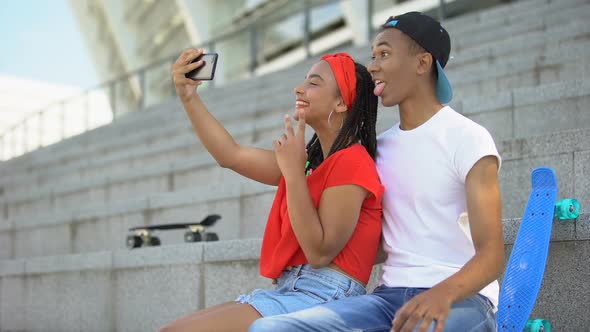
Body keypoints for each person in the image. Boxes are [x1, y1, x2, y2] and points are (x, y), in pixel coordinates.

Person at [248, 11, 504, 332]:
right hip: (385, 300)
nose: (372, 66)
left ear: (422, 63)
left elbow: (492, 255)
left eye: (384, 54)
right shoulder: (378, 151)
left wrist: (441, 294)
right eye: (372, 56)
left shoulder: (468, 137)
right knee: (271, 329)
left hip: (461, 300)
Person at [159, 50, 384, 332]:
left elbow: (320, 252)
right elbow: (231, 155)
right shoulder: (309, 164)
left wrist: (291, 173)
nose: (299, 88)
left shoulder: (353, 160)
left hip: (326, 295)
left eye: (313, 83)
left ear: (341, 102)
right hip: (292, 289)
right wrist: (188, 97)